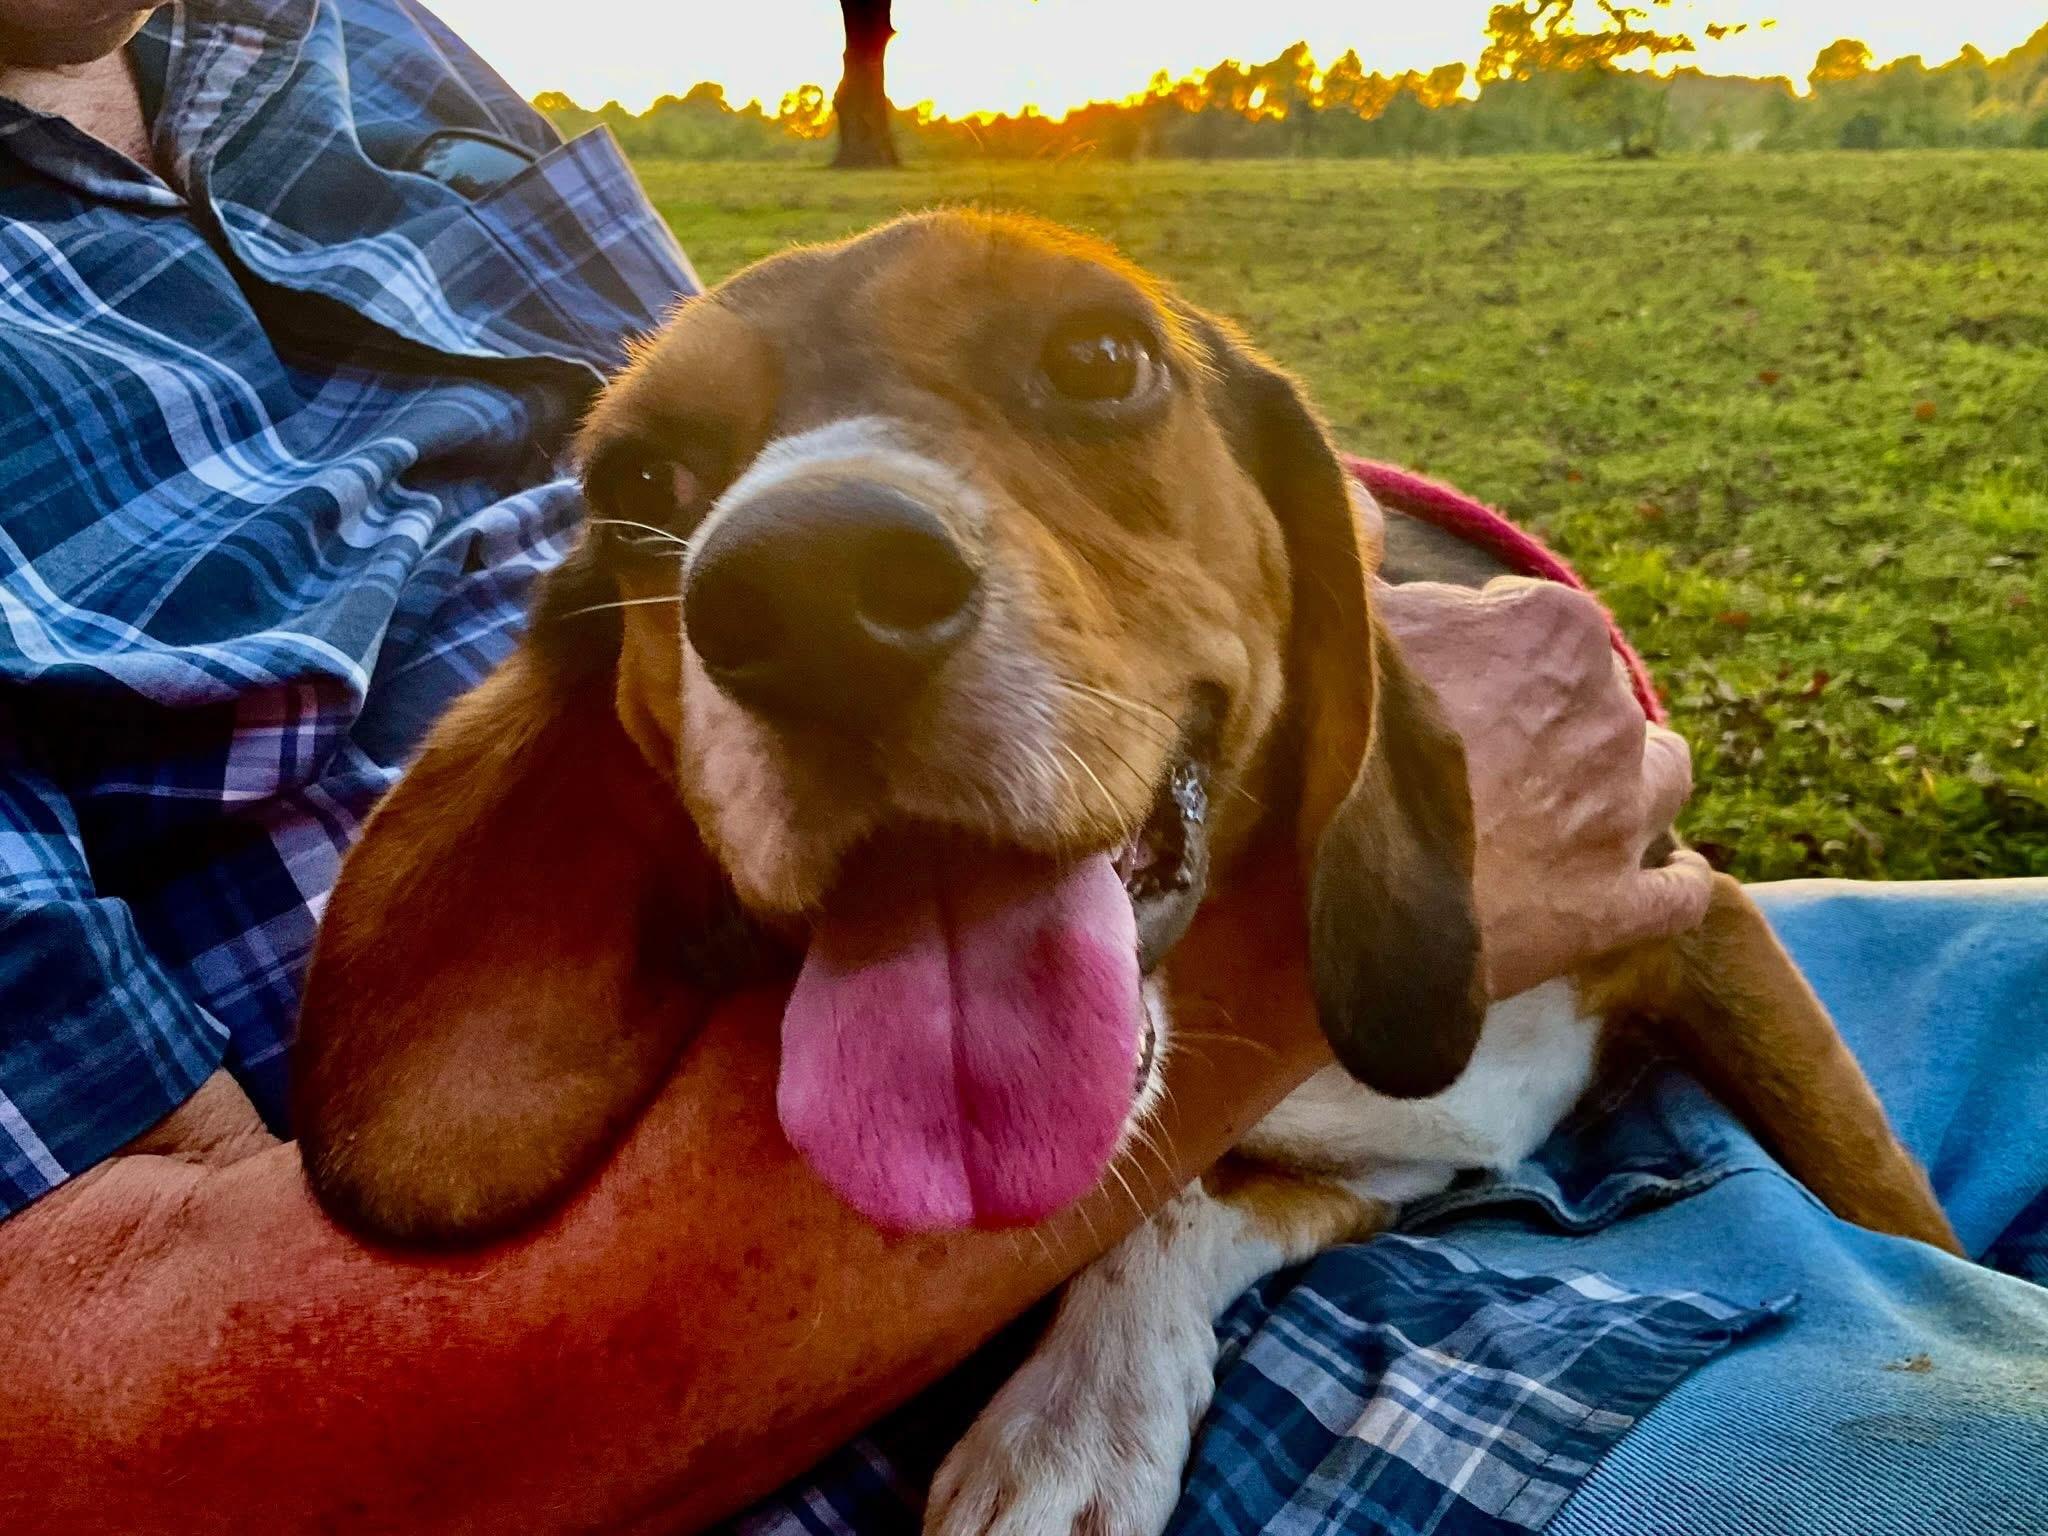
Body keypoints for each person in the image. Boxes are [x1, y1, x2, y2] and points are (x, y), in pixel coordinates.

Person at [2, 5, 2040, 1534]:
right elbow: (124, 1435)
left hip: (1361, 922)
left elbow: (865, 407)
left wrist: (1354, 716)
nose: (782, 571)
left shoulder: (338, 41)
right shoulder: (569, 763)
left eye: (1086, 364)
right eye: (664, 492)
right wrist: (1295, 956)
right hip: (943, 1342)